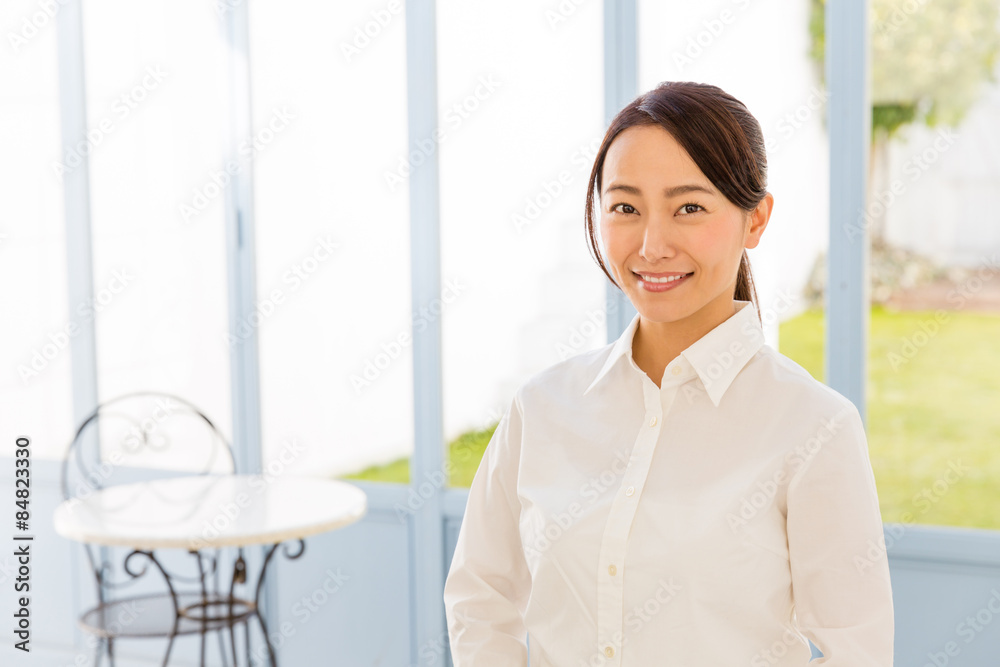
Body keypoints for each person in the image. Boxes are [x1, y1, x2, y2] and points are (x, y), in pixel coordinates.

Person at [443, 81, 894, 666]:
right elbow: (482, 594)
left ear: (755, 220)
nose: (652, 246)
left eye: (689, 208)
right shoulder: (543, 408)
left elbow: (856, 648)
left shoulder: (813, 427)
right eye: (626, 208)